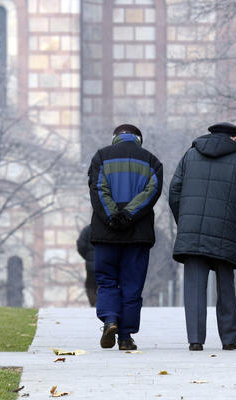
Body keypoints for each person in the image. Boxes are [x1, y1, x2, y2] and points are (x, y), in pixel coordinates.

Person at [169, 122, 236, 351]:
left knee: (194, 286)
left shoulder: (190, 155)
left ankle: (195, 340)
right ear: (234, 138)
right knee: (226, 285)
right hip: (226, 230)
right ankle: (229, 339)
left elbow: (174, 191)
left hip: (192, 230)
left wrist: (185, 220)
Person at [88, 124, 163, 351]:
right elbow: (151, 192)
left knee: (107, 280)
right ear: (139, 139)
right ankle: (125, 337)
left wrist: (113, 216)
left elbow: (99, 189)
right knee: (132, 285)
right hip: (137, 234)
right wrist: (128, 215)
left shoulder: (101, 156)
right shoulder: (152, 161)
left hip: (106, 233)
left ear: (115, 138)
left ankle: (110, 320)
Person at [76, 224, 97, 306]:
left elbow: (81, 245)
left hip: (91, 265)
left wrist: (87, 257)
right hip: (107, 262)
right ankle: (102, 303)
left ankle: (95, 302)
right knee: (105, 283)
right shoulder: (107, 228)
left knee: (90, 285)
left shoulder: (87, 229)